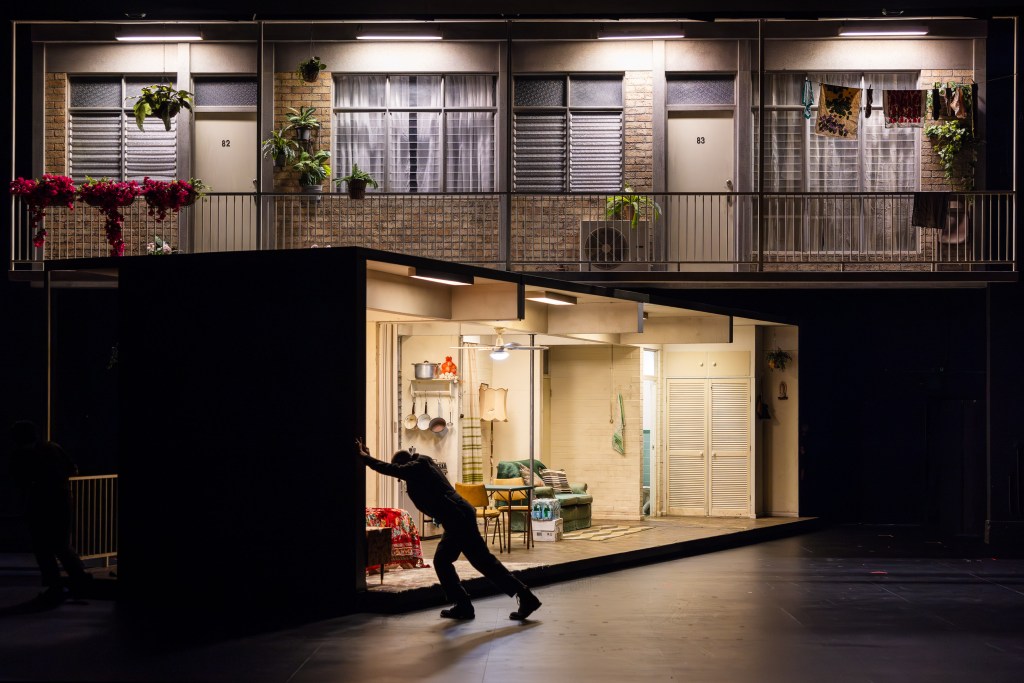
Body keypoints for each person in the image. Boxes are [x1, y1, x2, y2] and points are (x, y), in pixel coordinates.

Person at [355, 438, 541, 621]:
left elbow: (390, 469)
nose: (401, 478)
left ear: (405, 465)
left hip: (457, 518)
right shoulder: (423, 462)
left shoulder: (417, 467)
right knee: (445, 561)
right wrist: (369, 458)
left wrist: (365, 458)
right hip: (456, 517)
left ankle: (523, 597)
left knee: (482, 562)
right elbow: (394, 469)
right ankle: (464, 605)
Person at [9, 420, 93, 605]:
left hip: (39, 506)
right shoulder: (51, 448)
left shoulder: (21, 455)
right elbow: (72, 468)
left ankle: (56, 586)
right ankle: (80, 582)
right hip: (60, 503)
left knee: (43, 548)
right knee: (60, 545)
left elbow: (20, 482)